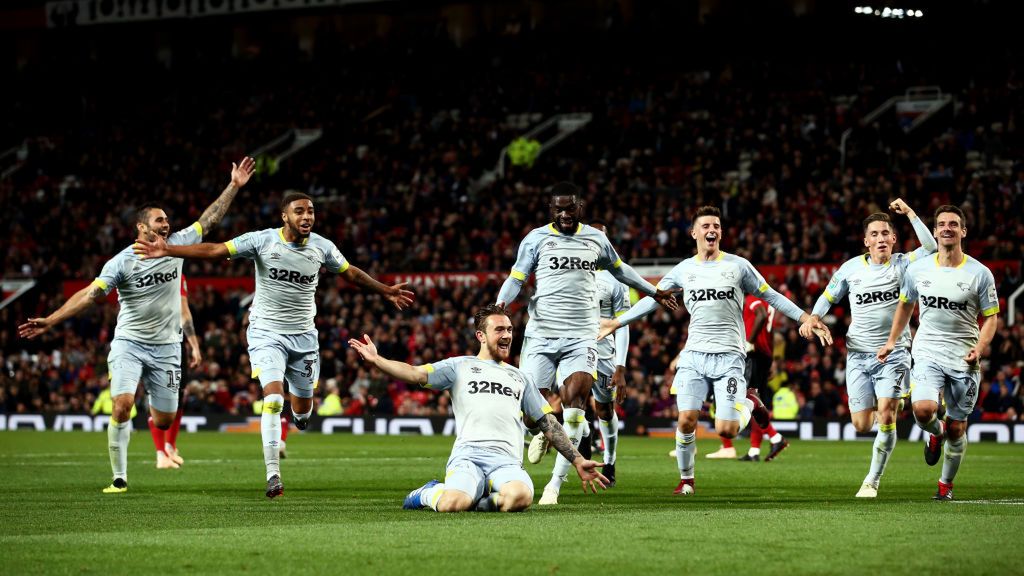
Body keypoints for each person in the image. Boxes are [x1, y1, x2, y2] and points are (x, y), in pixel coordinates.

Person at [134, 191, 414, 498]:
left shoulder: (323, 247)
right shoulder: (262, 241)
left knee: (303, 412)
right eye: (299, 211)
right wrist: (170, 251)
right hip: (266, 334)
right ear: (285, 216)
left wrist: (384, 290)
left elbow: (352, 274)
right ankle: (272, 475)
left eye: (310, 212)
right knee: (272, 399)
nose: (306, 217)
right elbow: (215, 250)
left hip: (304, 338)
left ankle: (300, 416)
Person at [19, 157, 255, 493]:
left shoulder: (177, 244)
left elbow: (210, 220)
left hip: (167, 347)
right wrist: (52, 320)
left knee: (163, 419)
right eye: (159, 220)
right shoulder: (121, 262)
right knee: (121, 405)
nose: (166, 223)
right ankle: (119, 477)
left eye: (167, 219)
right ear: (142, 228)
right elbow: (89, 295)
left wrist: (233, 185)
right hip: (129, 343)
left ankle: (153, 409)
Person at [599, 206, 830, 495]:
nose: (712, 230)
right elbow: (654, 298)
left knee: (726, 430)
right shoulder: (685, 269)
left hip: (730, 357)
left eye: (717, 226)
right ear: (694, 232)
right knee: (686, 419)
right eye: (706, 226)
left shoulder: (738, 266)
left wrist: (805, 317)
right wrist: (617, 322)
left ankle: (751, 404)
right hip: (694, 356)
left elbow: (770, 295)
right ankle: (686, 480)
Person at [495, 183, 677, 506]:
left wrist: (654, 291)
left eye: (570, 208)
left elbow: (622, 272)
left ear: (580, 208)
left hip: (581, 337)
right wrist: (500, 306)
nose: (564, 214)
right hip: (540, 335)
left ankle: (553, 485)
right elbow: (517, 279)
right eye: (558, 209)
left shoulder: (596, 239)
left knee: (576, 406)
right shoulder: (536, 239)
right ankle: (541, 429)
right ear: (551, 210)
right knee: (526, 410)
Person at [348, 304, 608, 512]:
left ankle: (479, 499)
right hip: (468, 456)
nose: (507, 335)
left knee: (520, 497)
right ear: (481, 336)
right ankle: (427, 492)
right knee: (452, 504)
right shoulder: (458, 366)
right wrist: (377, 359)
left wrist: (577, 459)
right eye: (499, 330)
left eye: (509, 329)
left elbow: (547, 423)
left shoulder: (521, 377)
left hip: (506, 460)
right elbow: (415, 373)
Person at [803, 199, 936, 497]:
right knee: (862, 424)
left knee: (886, 415)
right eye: (874, 234)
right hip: (858, 355)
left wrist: (912, 214)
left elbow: (931, 248)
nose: (880, 239)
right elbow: (828, 297)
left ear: (893, 239)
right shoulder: (851, 269)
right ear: (866, 241)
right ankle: (910, 410)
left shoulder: (903, 263)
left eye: (885, 233)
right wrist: (813, 317)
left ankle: (871, 481)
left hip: (894, 352)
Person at [878, 205, 999, 500]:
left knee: (958, 428)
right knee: (922, 411)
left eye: (953, 224)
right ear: (934, 232)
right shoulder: (918, 269)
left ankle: (945, 485)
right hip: (928, 349)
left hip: (963, 357)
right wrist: (893, 340)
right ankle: (935, 431)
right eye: (942, 224)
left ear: (963, 231)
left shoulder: (979, 274)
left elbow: (991, 318)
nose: (947, 228)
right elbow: (905, 305)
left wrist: (979, 348)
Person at [588, 220, 630, 488]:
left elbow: (623, 323)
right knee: (572, 405)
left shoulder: (617, 277)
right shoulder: (570, 272)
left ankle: (610, 460)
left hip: (604, 352)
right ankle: (581, 451)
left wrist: (620, 367)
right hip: (572, 348)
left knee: (604, 409)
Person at [148, 275, 203, 469]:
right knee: (158, 398)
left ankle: (170, 447)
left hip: (175, 342)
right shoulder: (162, 272)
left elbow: (184, 312)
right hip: (154, 343)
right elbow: (184, 311)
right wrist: (195, 346)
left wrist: (191, 345)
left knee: (179, 396)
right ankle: (160, 453)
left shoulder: (177, 274)